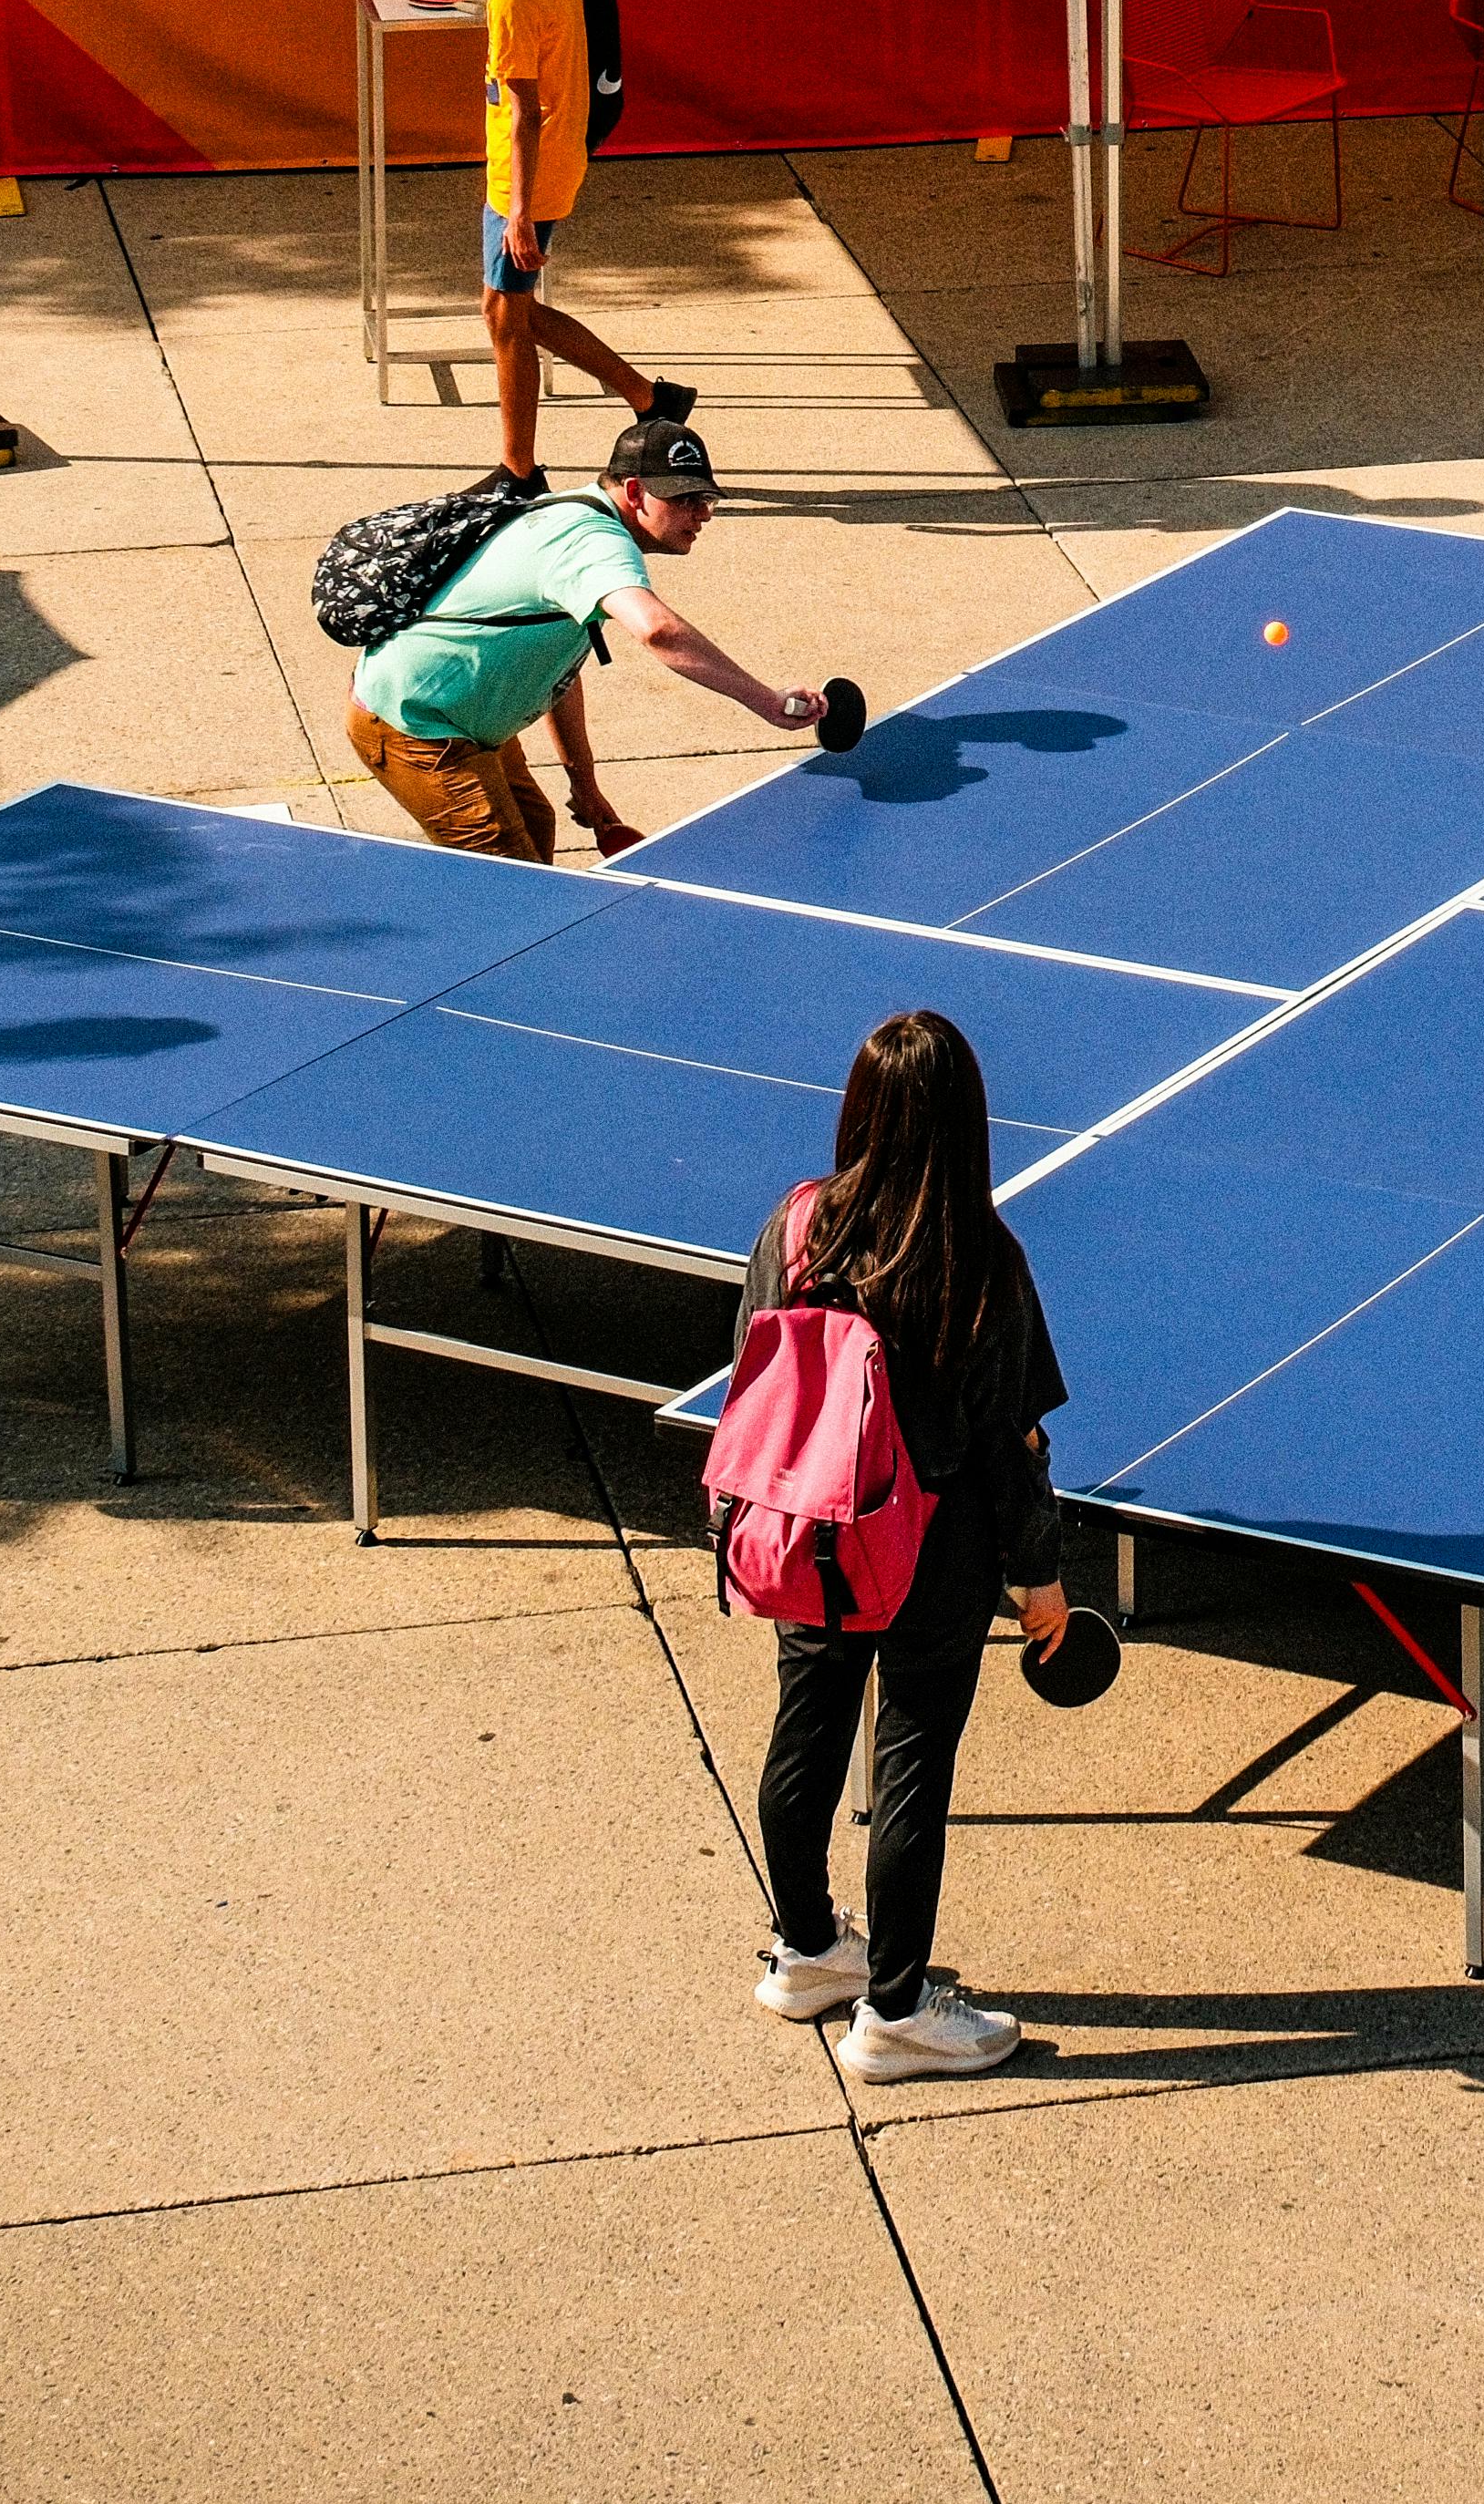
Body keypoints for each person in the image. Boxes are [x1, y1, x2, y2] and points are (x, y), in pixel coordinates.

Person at [739, 1010, 1079, 2081]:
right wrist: (1043, 1581)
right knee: (912, 1765)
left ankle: (806, 1951)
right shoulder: (979, 1255)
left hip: (808, 1531)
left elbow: (755, 1372)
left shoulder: (797, 1226)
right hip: (930, 1554)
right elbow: (1013, 1444)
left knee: (807, 1731)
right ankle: (893, 2010)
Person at [349, 415, 816, 861]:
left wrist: (584, 784)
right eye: (685, 500)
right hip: (417, 725)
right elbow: (659, 631)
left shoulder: (576, 513)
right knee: (514, 884)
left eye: (706, 500)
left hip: (464, 716)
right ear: (635, 492)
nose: (702, 515)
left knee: (535, 826)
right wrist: (767, 702)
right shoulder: (593, 542)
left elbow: (557, 672)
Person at [448, 0, 681, 478]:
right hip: (544, 165)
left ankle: (518, 472)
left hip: (526, 177)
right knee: (507, 310)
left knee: (504, 319)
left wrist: (519, 213)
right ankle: (650, 399)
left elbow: (523, 111)